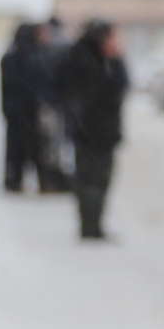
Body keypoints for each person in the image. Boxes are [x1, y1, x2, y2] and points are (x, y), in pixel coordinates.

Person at [57, 16, 133, 239]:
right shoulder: (86, 61)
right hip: (91, 132)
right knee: (92, 180)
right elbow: (105, 92)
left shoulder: (97, 59)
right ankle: (90, 226)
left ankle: (94, 224)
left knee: (97, 180)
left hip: (99, 131)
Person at [0, 13, 55, 193]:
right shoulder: (32, 57)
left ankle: (14, 180)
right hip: (27, 111)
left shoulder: (13, 56)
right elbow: (36, 83)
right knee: (34, 149)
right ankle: (39, 181)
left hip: (18, 112)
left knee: (18, 150)